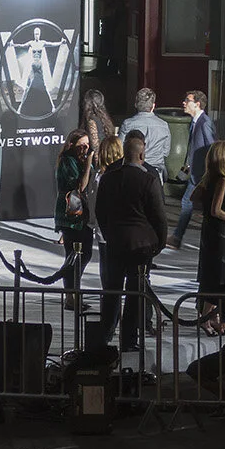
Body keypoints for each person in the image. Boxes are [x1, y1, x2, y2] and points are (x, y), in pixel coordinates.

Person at [95, 137, 168, 353]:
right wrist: (159, 242)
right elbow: (159, 216)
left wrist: (109, 233)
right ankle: (129, 340)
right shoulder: (148, 180)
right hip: (141, 246)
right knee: (135, 294)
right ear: (142, 155)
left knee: (112, 291)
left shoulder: (109, 178)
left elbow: (100, 211)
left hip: (115, 242)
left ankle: (105, 334)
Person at [192, 141, 225, 297]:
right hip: (219, 230)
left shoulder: (209, 177)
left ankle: (209, 315)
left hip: (207, 229)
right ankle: (208, 314)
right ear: (223, 156)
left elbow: (193, 197)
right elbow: (216, 210)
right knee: (219, 273)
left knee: (209, 271)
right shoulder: (222, 180)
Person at [55, 131, 97, 304]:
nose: (85, 148)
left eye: (87, 145)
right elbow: (79, 186)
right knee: (72, 255)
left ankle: (74, 289)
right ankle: (70, 295)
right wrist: (87, 166)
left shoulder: (82, 160)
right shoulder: (67, 161)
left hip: (84, 214)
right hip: (71, 214)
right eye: (82, 145)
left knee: (85, 254)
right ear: (72, 145)